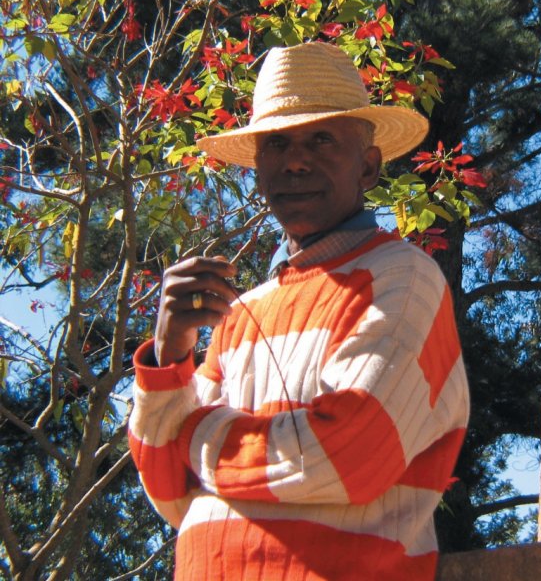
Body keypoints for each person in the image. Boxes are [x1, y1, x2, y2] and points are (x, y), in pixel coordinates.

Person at [128, 42, 470, 580]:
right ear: (258, 168)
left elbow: (348, 456)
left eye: (322, 138)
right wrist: (170, 358)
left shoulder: (403, 279)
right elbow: (170, 494)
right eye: (276, 143)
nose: (294, 160)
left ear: (370, 166)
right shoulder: (240, 313)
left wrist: (189, 435)